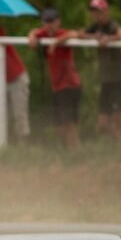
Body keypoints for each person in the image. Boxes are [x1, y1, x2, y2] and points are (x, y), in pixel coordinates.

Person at [78, 0, 121, 145]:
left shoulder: (112, 25)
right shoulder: (96, 27)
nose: (96, 15)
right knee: (102, 124)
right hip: (106, 81)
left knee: (118, 117)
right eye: (93, 12)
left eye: (98, 11)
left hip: (118, 79)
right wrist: (93, 37)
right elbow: (80, 34)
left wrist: (109, 39)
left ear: (106, 11)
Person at [28, 8, 81, 149]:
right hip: (57, 85)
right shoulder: (44, 33)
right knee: (59, 127)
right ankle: (71, 151)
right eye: (46, 21)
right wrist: (32, 36)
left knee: (68, 124)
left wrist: (56, 42)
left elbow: (74, 34)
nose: (49, 24)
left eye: (52, 21)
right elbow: (34, 32)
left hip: (69, 84)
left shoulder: (61, 34)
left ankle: (75, 152)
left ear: (58, 22)